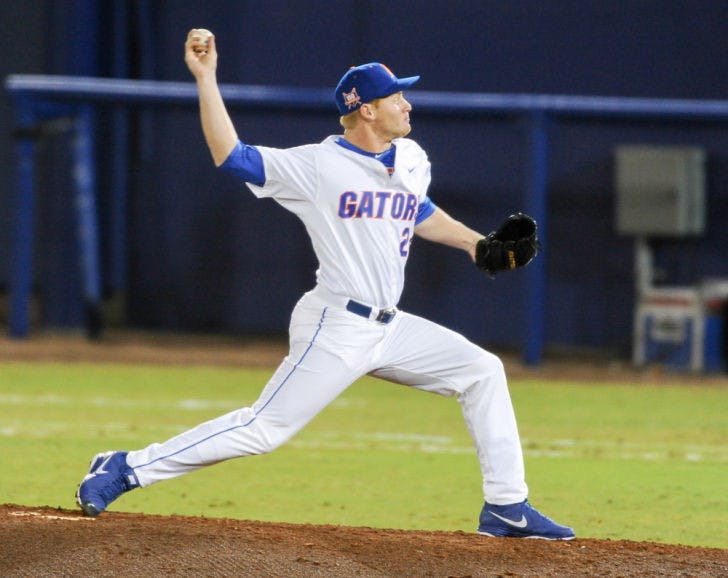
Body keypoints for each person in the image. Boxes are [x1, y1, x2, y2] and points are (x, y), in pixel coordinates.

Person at [76, 29, 574, 540]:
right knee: (263, 429)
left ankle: (507, 507)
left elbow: (418, 211)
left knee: (482, 372)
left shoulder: (411, 158)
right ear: (366, 111)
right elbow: (232, 155)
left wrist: (478, 244)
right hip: (336, 324)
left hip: (390, 327)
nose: (407, 103)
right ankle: (123, 467)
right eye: (395, 96)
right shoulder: (318, 165)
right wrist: (206, 78)